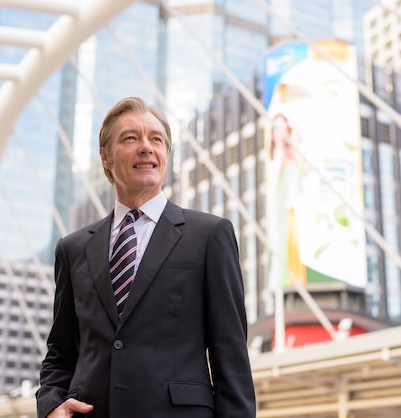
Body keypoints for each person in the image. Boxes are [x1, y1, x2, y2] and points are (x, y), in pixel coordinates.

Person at [36, 97, 256, 418]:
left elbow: (231, 356)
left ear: (166, 154)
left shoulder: (210, 236)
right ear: (106, 157)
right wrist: (51, 406)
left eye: (156, 139)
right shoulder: (72, 249)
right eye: (130, 138)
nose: (146, 147)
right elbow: (60, 351)